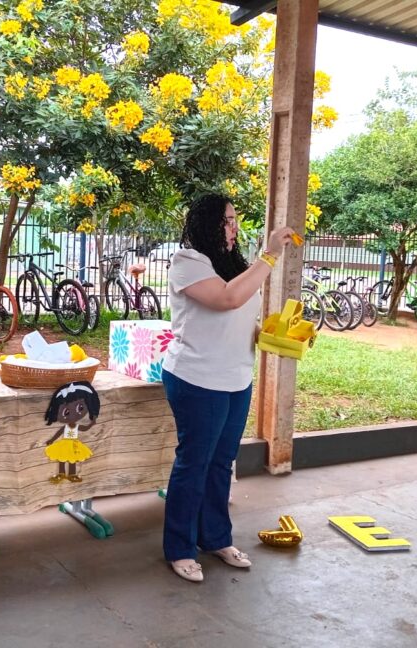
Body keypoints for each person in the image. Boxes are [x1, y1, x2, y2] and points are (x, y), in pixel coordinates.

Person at [161, 193, 298, 583]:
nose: (233, 226)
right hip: (196, 378)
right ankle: (180, 548)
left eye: (235, 219)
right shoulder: (187, 262)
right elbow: (226, 299)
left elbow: (239, 315)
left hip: (237, 377)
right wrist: (269, 255)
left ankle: (216, 538)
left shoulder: (234, 263)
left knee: (222, 464)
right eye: (226, 220)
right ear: (206, 223)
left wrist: (272, 335)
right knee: (194, 464)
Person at [43, 381, 101, 483]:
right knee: (62, 458)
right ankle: (61, 473)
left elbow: (84, 429)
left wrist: (91, 424)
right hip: (65, 443)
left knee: (72, 460)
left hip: (73, 444)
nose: (73, 416)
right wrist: (51, 440)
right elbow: (59, 433)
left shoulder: (77, 426)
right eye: (67, 412)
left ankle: (72, 474)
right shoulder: (65, 427)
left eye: (80, 408)